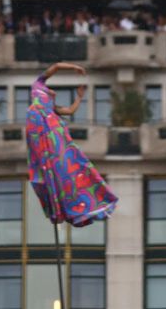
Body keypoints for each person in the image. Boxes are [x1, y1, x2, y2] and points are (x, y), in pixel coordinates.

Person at [26, 62, 117, 227]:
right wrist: (74, 68)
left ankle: (74, 198)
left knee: (64, 157)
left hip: (50, 128)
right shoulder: (38, 85)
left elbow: (69, 111)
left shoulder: (51, 107)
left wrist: (80, 96)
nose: (54, 92)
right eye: (52, 91)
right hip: (39, 123)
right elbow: (55, 66)